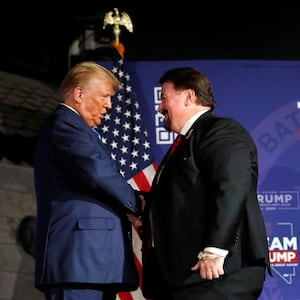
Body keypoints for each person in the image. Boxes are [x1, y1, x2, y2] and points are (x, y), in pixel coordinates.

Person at [139, 67, 272, 300]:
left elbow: (230, 186)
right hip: (188, 278)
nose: (159, 107)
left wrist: (215, 250)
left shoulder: (220, 131)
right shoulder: (185, 143)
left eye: (163, 98)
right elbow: (182, 198)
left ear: (189, 97)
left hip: (219, 273)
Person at [33, 61, 143, 300]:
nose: (109, 105)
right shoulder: (64, 124)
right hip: (78, 262)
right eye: (104, 96)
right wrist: (137, 203)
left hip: (93, 265)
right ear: (79, 93)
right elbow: (97, 171)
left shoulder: (80, 129)